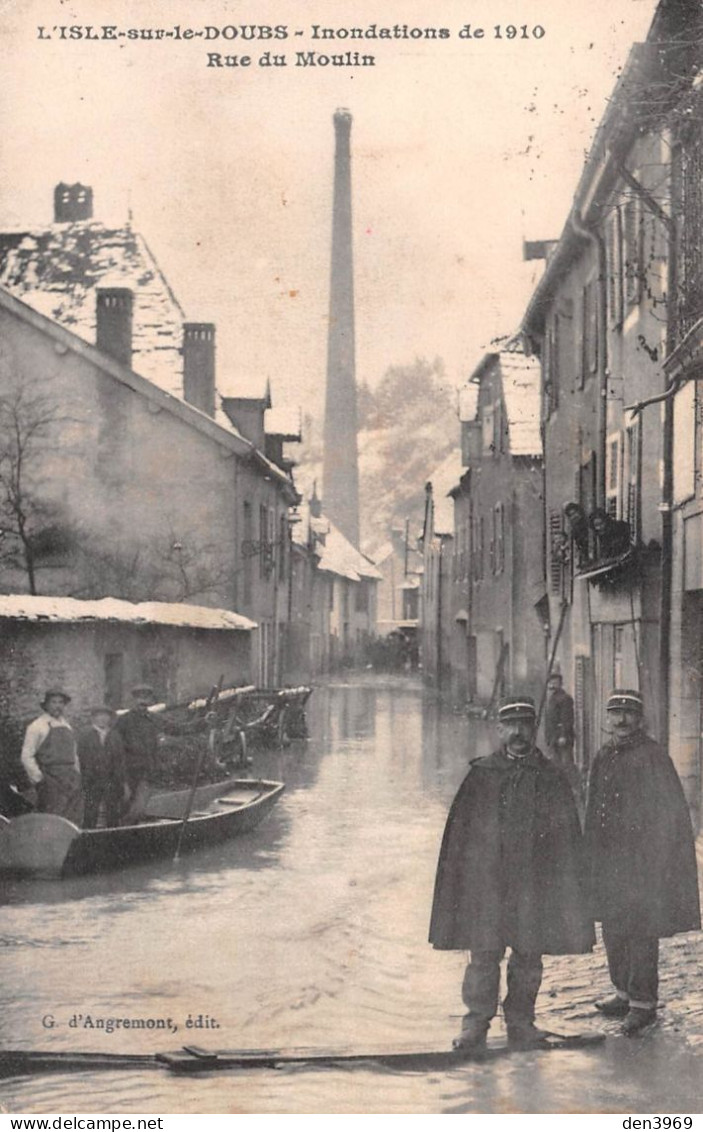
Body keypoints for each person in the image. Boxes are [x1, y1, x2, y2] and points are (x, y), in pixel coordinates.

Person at [429, 695, 594, 1051]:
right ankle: (475, 1026)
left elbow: (565, 843)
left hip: (532, 888)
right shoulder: (481, 776)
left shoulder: (551, 778)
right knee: (484, 957)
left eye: (525, 725)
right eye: (511, 725)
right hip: (489, 888)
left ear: (535, 730)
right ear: (499, 729)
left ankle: (521, 1023)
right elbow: (460, 842)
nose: (518, 732)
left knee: (528, 956)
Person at [585, 689, 700, 1036]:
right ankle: (622, 992)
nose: (621, 720)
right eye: (615, 713)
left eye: (629, 714)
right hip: (609, 861)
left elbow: (670, 817)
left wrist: (658, 863)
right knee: (613, 928)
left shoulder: (653, 757)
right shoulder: (604, 755)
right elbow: (593, 808)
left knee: (640, 932)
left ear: (640, 719)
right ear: (607, 719)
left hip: (642, 863)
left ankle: (643, 1003)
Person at [20, 689, 84, 826]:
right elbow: (26, 756)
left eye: (61, 702)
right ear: (46, 705)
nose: (57, 706)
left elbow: (74, 754)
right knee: (52, 819)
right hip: (51, 779)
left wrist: (76, 773)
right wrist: (39, 779)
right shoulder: (37, 726)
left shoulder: (67, 726)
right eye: (53, 702)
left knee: (73, 818)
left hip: (70, 779)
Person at [77, 706, 125, 828]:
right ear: (93, 718)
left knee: (113, 813)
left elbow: (120, 759)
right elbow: (80, 757)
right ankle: (89, 839)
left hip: (111, 780)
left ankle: (112, 840)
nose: (103, 719)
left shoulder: (115, 736)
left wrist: (120, 779)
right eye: (99, 715)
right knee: (91, 812)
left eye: (106, 716)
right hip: (92, 779)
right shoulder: (85, 735)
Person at [544, 672, 575, 771]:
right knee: (555, 764)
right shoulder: (551, 699)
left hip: (562, 738)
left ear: (560, 684)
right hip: (553, 737)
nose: (553, 685)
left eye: (555, 682)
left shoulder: (565, 699)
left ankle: (572, 784)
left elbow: (567, 719)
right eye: (551, 682)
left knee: (566, 763)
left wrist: (563, 735)